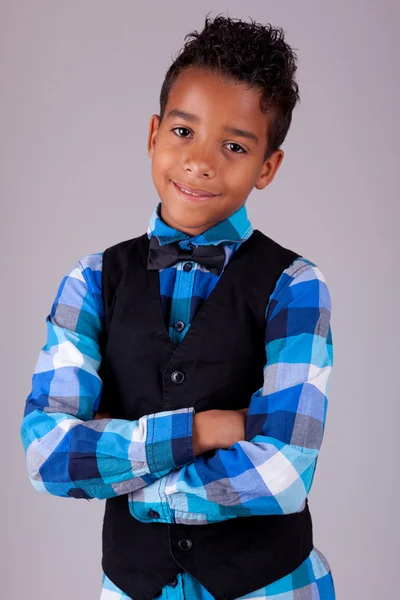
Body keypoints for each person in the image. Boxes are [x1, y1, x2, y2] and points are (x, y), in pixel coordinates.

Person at [20, 13, 336, 600]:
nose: (201, 163)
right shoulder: (91, 281)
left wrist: (133, 481)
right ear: (153, 134)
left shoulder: (294, 286)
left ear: (267, 167)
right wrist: (200, 431)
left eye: (234, 145)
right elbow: (48, 454)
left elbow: (284, 474)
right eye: (183, 132)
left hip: (274, 589)